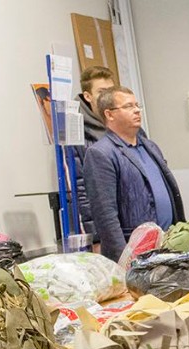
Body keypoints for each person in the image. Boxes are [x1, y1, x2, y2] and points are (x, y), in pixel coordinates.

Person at [83, 86, 185, 261]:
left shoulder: (150, 147)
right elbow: (105, 216)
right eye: (128, 106)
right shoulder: (101, 153)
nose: (137, 110)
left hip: (168, 245)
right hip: (135, 252)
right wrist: (124, 259)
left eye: (137, 105)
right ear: (109, 114)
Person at [71, 65, 115, 242]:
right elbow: (80, 188)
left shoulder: (119, 123)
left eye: (111, 91)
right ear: (87, 96)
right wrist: (95, 238)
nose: (107, 97)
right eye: (101, 92)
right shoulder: (77, 133)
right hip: (103, 229)